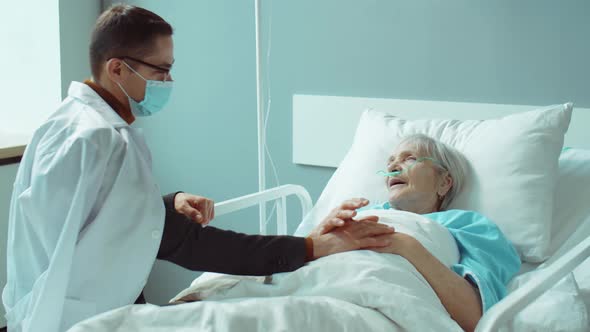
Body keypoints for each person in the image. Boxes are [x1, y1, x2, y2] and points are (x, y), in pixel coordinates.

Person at [1, 5, 393, 332]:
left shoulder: (78, 124)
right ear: (117, 69)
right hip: (74, 318)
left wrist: (165, 205)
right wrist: (310, 246)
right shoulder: (95, 139)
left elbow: (95, 215)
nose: (169, 81)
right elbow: (186, 243)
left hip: (73, 307)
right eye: (160, 71)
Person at [355, 134, 521, 332]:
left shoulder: (469, 226)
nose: (392, 167)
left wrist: (405, 245)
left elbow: (475, 318)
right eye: (390, 161)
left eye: (410, 158)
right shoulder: (362, 214)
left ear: (444, 182)